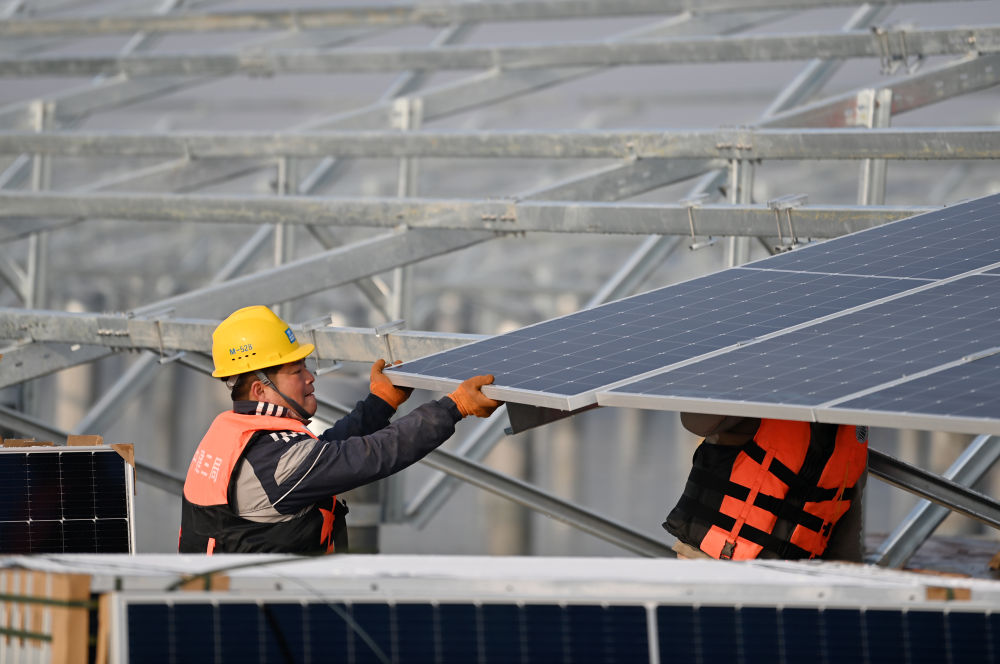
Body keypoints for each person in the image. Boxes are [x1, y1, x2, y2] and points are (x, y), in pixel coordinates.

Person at [179, 305, 501, 554]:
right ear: (260, 390)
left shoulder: (235, 435)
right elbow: (370, 456)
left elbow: (322, 454)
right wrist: (454, 407)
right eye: (296, 370)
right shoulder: (276, 463)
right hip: (268, 622)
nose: (310, 378)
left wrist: (380, 404)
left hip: (230, 611)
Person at [664, 413, 868, 561]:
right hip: (709, 561)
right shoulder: (764, 394)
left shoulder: (852, 436)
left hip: (789, 582)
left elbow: (845, 540)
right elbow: (694, 421)